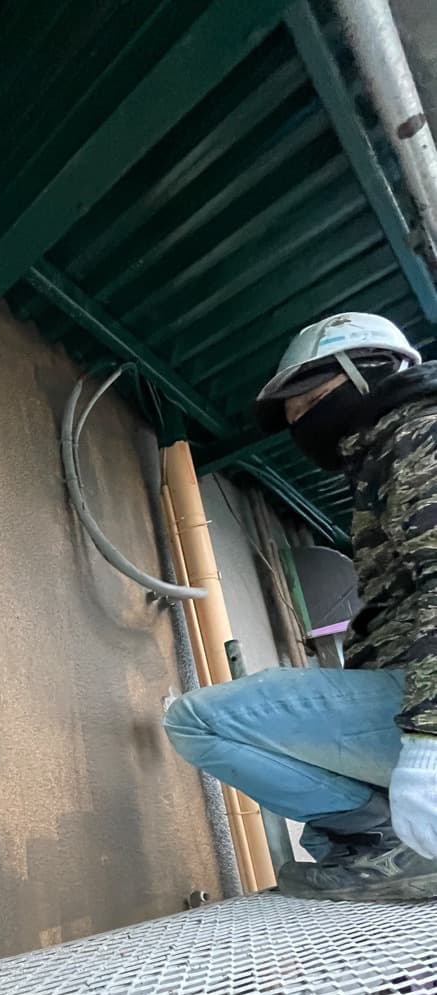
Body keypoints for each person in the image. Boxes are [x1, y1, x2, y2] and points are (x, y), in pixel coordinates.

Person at [164, 311, 437, 901]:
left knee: (196, 720)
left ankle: (387, 845)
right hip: (410, 689)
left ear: (373, 371)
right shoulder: (389, 448)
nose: (302, 424)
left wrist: (427, 743)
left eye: (311, 400)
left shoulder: (421, 432)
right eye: (293, 417)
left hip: (426, 708)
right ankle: (383, 842)